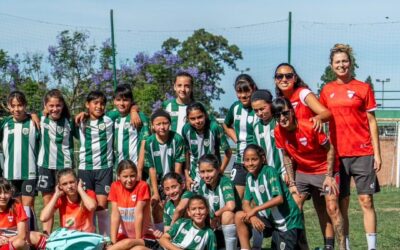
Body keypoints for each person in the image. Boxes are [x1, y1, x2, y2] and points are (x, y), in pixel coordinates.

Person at [319, 44, 382, 250]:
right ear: (332, 65)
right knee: (342, 204)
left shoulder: (363, 88)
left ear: (350, 63)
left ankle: (371, 247)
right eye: (337, 62)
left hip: (363, 153)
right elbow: (320, 120)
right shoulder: (326, 91)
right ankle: (345, 246)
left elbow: (372, 121)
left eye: (344, 61)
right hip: (337, 155)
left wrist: (377, 154)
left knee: (366, 201)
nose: (341, 65)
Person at [272, 97, 345, 249]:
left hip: (325, 169)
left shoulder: (310, 126)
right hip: (303, 172)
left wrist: (329, 176)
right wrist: (292, 183)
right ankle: (301, 247)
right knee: (294, 207)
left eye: (285, 113)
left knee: (332, 208)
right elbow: (286, 156)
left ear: (292, 112)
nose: (282, 118)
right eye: (277, 115)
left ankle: (343, 246)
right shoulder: (278, 131)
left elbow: (330, 149)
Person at [235, 144, 307, 250]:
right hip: (272, 222)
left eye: (254, 159)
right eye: (247, 160)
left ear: (262, 159)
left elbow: (279, 199)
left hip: (288, 223)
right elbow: (245, 203)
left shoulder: (270, 171)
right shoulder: (249, 177)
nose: (250, 163)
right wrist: (253, 217)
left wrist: (255, 209)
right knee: (239, 216)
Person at [36, 89, 75, 234]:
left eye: (58, 105)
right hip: (45, 166)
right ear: (45, 106)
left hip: (64, 168)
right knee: (48, 203)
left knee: (66, 202)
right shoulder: (40, 119)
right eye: (51, 105)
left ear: (63, 105)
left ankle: (67, 234)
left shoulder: (70, 121)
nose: (54, 108)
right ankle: (47, 238)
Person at [75, 90, 114, 236]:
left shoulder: (110, 119)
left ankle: (104, 239)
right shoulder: (80, 121)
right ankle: (89, 237)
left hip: (104, 168)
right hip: (85, 169)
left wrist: (134, 109)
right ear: (87, 104)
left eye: (102, 103)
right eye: (95, 103)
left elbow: (126, 107)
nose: (99, 106)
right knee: (87, 205)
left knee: (102, 206)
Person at [1, 91, 40, 231]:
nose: (17, 109)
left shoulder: (34, 122)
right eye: (13, 106)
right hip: (10, 173)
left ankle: (32, 237)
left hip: (29, 172)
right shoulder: (5, 123)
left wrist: (34, 114)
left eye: (20, 105)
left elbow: (48, 112)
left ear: (25, 106)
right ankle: (18, 237)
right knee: (15, 207)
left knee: (28, 207)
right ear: (8, 106)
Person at [144, 109, 185, 232]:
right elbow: (151, 169)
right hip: (158, 181)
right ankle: (160, 238)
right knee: (156, 206)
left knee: (175, 207)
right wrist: (155, 192)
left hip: (173, 180)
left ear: (170, 124)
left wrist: (174, 187)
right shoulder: (150, 142)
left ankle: (177, 235)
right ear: (152, 126)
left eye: (165, 123)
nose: (162, 127)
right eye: (158, 124)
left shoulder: (177, 139)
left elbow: (178, 166)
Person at [108, 160, 159, 250]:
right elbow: (115, 215)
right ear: (118, 176)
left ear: (137, 175)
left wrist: (136, 242)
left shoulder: (142, 186)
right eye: (125, 176)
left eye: (132, 176)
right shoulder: (115, 186)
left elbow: (138, 214)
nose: (129, 180)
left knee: (136, 248)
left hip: (143, 237)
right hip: (124, 236)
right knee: (115, 246)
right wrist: (113, 242)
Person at [182, 102, 232, 192]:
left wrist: (220, 171)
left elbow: (228, 152)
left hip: (212, 174)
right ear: (188, 119)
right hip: (195, 175)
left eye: (200, 117)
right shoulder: (186, 129)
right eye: (192, 119)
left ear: (205, 115)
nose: (197, 121)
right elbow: (186, 153)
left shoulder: (214, 127)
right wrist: (187, 175)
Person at [223, 74, 258, 198]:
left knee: (258, 202)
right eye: (239, 92)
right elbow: (226, 125)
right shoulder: (235, 107)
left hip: (258, 162)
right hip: (240, 162)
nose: (243, 95)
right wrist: (237, 139)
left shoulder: (260, 107)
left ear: (253, 88)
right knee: (236, 201)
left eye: (246, 91)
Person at [197, 154, 240, 250]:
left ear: (217, 170)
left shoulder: (225, 181)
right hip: (214, 226)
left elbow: (231, 206)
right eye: (202, 172)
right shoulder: (202, 183)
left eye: (209, 171)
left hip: (234, 228)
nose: (206, 176)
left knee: (227, 214)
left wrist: (215, 215)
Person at [274, 63, 331, 131]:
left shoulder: (303, 94)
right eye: (279, 76)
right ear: (275, 80)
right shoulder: (279, 101)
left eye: (288, 76)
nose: (284, 79)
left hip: (311, 139)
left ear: (294, 78)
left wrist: (318, 118)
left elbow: (327, 113)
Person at [40, 168, 97, 233]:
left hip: (86, 236)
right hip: (68, 237)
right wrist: (56, 195)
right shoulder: (60, 198)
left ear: (77, 181)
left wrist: (80, 189)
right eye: (65, 184)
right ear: (60, 186)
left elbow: (91, 207)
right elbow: (43, 218)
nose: (69, 186)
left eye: (72, 182)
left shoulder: (88, 193)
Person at [112, 84, 150, 180]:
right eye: (118, 100)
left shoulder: (140, 117)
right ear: (114, 101)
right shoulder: (112, 116)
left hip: (136, 169)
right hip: (118, 170)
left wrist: (139, 170)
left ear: (131, 101)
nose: (121, 103)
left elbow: (144, 143)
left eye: (125, 100)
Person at [250, 89, 285, 180]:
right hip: (268, 175)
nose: (259, 113)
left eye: (262, 109)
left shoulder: (280, 122)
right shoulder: (256, 128)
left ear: (271, 104)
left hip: (284, 172)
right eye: (256, 111)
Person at [162, 72, 195, 136]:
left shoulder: (197, 107)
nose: (183, 89)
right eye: (179, 85)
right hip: (171, 145)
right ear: (174, 87)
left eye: (187, 86)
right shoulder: (166, 105)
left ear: (191, 88)